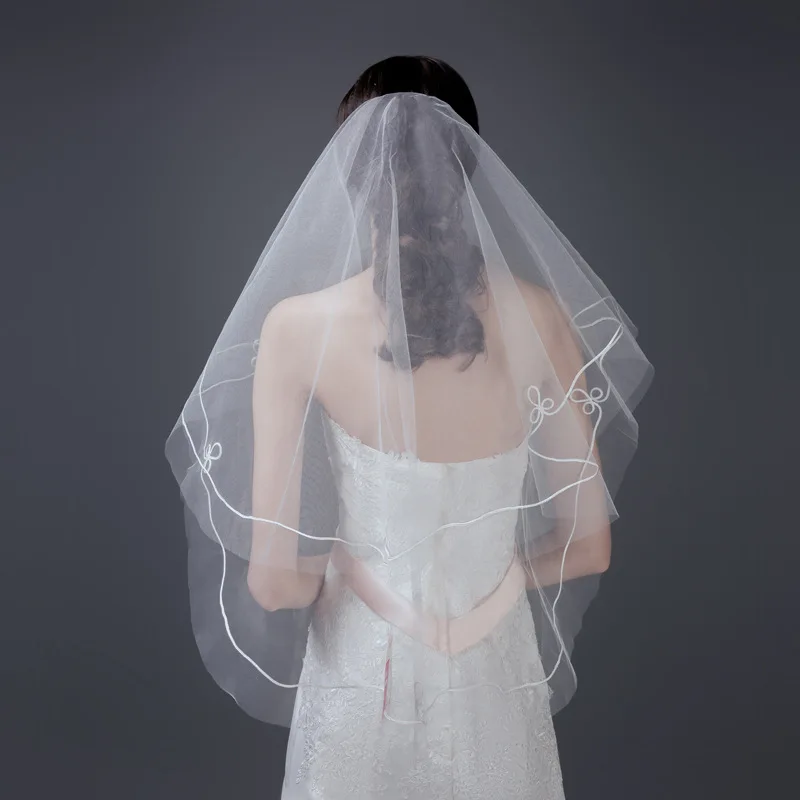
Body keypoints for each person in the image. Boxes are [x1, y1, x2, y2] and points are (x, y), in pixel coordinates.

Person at [166, 55, 653, 799]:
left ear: (348, 172)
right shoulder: (541, 320)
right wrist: (492, 591)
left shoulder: (297, 330)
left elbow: (273, 584)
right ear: (471, 166)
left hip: (361, 681)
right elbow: (589, 545)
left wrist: (350, 573)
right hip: (495, 680)